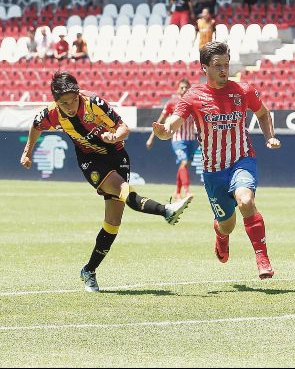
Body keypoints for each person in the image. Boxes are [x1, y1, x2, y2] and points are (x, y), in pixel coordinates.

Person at [21, 72, 193, 292]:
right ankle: (166, 210)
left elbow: (124, 128)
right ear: (56, 102)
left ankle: (89, 270)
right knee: (123, 190)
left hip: (116, 155)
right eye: (64, 103)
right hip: (90, 160)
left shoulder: (94, 103)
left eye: (73, 100)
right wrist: (27, 152)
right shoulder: (52, 113)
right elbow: (36, 126)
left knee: (112, 224)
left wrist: (115, 137)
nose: (71, 106)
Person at [152, 41, 279, 279]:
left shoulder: (243, 90)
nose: (224, 70)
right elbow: (174, 122)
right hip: (213, 172)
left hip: (242, 159)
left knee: (246, 200)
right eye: (217, 65)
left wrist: (269, 137)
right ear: (204, 68)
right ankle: (221, 234)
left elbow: (262, 113)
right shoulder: (193, 96)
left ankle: (262, 258)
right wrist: (165, 131)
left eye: (226, 65)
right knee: (227, 224)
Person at [146, 79, 199, 200]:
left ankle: (177, 192)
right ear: (177, 89)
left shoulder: (194, 102)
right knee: (184, 162)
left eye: (186, 87)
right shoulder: (172, 103)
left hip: (191, 138)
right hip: (178, 139)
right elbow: (160, 121)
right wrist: (151, 138)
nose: (184, 90)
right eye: (182, 87)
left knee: (183, 165)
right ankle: (187, 191)